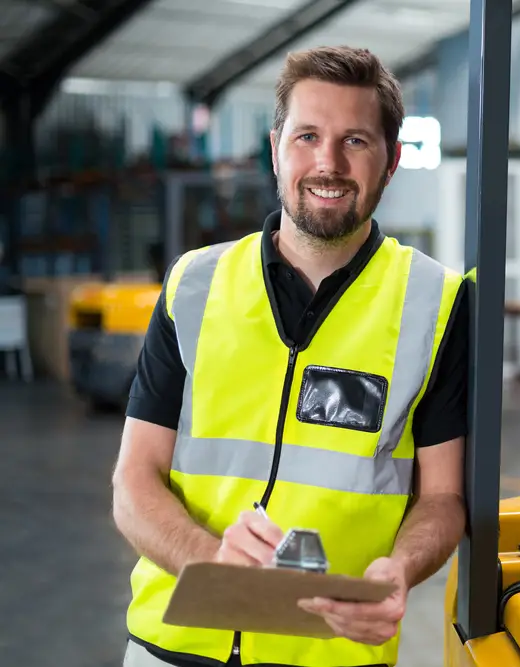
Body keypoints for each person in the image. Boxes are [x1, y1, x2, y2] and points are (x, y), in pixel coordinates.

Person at [111, 45, 469, 667]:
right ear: (276, 147)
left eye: (355, 141)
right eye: (307, 136)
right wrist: (210, 561)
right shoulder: (194, 285)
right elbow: (133, 481)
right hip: (172, 647)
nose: (327, 163)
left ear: (391, 163)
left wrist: (400, 572)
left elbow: (442, 499)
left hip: (333, 653)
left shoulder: (436, 304)